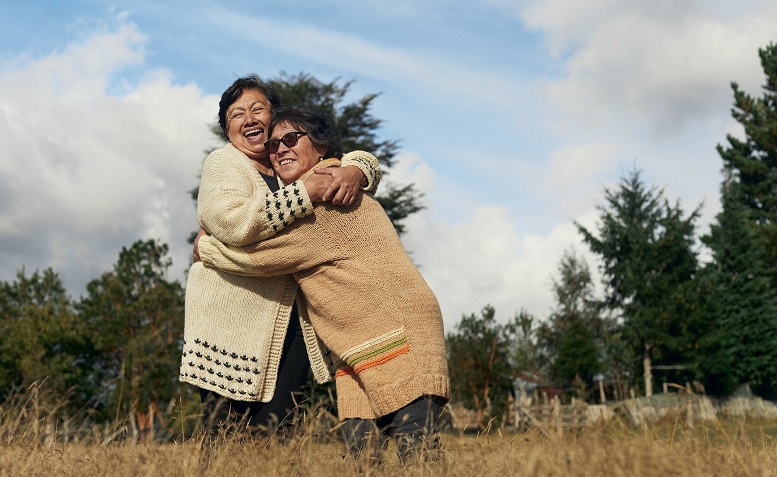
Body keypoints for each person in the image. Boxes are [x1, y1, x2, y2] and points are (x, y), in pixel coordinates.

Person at [196, 107, 450, 464]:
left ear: (322, 147)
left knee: (418, 453)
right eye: (272, 145)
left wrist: (205, 246)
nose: (280, 149)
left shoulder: (327, 194)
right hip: (360, 345)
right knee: (364, 459)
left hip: (397, 332)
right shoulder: (321, 188)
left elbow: (261, 256)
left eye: (291, 139)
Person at [179, 75, 381, 438]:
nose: (249, 118)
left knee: (277, 431)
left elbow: (342, 156)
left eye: (258, 109)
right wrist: (306, 192)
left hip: (291, 325)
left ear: (274, 118)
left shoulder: (289, 162)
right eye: (237, 114)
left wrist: (357, 169)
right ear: (228, 131)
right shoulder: (223, 163)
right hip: (229, 324)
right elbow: (233, 221)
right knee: (224, 435)